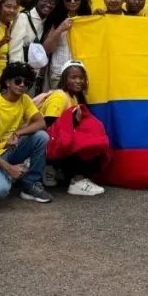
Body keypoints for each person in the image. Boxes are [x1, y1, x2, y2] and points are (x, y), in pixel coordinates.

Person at [0, 62, 52, 203]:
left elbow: (42, 123)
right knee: (0, 191)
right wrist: (9, 168)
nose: (22, 85)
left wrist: (17, 133)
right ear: (7, 82)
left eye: (26, 83)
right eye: (18, 80)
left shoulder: (24, 100)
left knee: (41, 137)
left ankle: (30, 184)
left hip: (9, 150)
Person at [38, 60, 110, 196]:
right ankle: (77, 180)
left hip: (58, 146)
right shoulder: (60, 96)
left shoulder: (74, 97)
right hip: (49, 146)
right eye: (73, 77)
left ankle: (53, 169)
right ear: (65, 79)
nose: (78, 81)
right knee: (90, 144)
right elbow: (48, 125)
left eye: (81, 78)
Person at [43, 0, 92, 90]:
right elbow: (47, 49)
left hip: (82, 75)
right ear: (62, 0)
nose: (73, 1)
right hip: (59, 74)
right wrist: (60, 28)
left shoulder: (89, 18)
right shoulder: (55, 18)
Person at [9, 0, 55, 64]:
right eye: (45, 0)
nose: (48, 5)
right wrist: (17, 67)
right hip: (20, 68)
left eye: (52, 3)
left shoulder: (47, 21)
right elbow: (15, 46)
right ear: (37, 0)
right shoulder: (23, 17)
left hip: (34, 69)